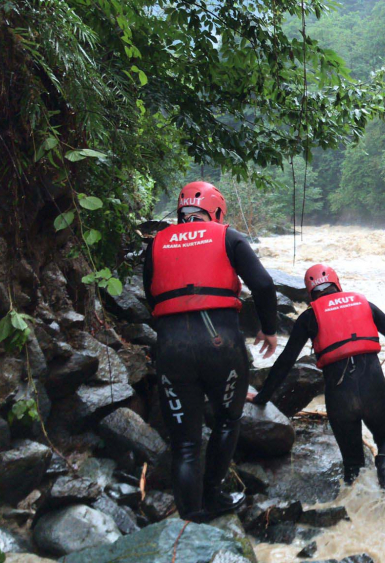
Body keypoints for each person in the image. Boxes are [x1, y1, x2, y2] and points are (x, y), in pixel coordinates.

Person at [144, 181, 279, 521]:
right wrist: (269, 328)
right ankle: (213, 494)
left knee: (185, 444)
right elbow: (263, 284)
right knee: (226, 420)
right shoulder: (228, 237)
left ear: (180, 211)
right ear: (217, 211)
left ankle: (190, 516)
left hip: (172, 347)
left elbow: (151, 295)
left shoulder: (157, 243)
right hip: (222, 345)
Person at [253, 264, 385, 503]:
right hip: (373, 386)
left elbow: (285, 361)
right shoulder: (363, 303)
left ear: (310, 292)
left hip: (339, 394)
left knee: (353, 464)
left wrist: (262, 397)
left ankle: (351, 509)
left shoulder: (309, 316)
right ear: (337, 283)